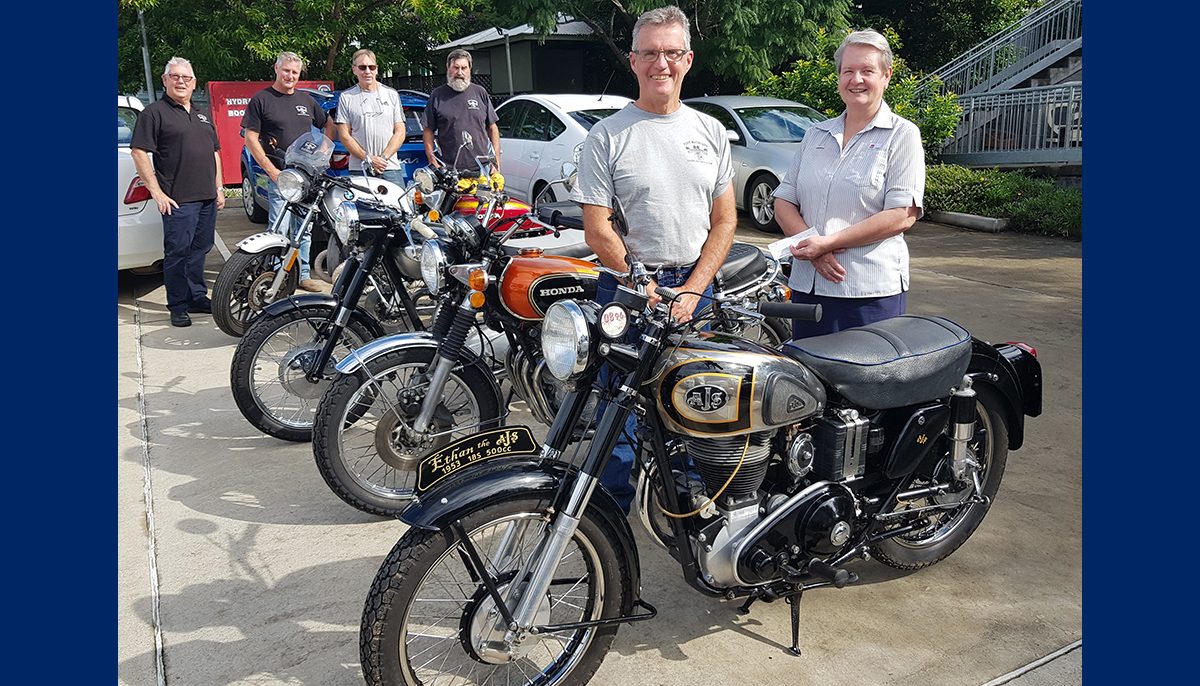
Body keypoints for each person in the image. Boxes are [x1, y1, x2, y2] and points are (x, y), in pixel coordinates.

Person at [570, 4, 735, 513]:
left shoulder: (710, 132)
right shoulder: (607, 136)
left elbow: (726, 222)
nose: (660, 64)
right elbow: (597, 229)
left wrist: (693, 288)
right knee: (617, 403)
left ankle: (684, 496)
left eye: (670, 53)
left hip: (693, 287)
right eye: (649, 54)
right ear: (633, 61)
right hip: (626, 289)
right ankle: (612, 512)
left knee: (693, 397)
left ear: (687, 59)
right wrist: (641, 285)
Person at [772, 29, 926, 338]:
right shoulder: (815, 135)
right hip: (808, 288)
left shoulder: (902, 135)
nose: (856, 79)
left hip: (867, 293)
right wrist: (812, 247)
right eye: (848, 71)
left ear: (886, 75)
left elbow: (901, 215)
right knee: (809, 381)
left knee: (868, 381)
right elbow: (784, 201)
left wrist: (826, 244)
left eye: (867, 70)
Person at [130, 57, 224, 328]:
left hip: (206, 197)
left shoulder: (202, 113)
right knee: (178, 253)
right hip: (178, 200)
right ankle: (178, 305)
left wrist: (218, 188)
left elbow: (214, 153)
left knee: (200, 251)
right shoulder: (154, 113)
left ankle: (196, 297)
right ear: (165, 80)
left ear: (194, 83)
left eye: (186, 77)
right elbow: (139, 152)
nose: (181, 81)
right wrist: (157, 193)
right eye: (175, 76)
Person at [242, 51, 334, 292]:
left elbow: (329, 125)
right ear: (276, 69)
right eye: (286, 71)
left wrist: (323, 151)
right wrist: (272, 171)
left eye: (294, 72)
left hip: (306, 178)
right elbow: (250, 138)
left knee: (303, 229)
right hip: (281, 178)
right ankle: (275, 276)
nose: (290, 76)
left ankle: (303, 274)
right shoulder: (261, 100)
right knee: (278, 229)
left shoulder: (306, 100)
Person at [335, 49, 408, 185]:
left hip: (389, 167)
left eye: (371, 67)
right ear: (354, 70)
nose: (367, 71)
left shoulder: (391, 94)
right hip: (360, 168)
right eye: (362, 67)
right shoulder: (346, 97)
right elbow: (344, 135)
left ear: (377, 69)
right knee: (362, 207)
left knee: (397, 205)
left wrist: (383, 158)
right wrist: (368, 158)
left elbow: (400, 131)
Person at [422, 49, 501, 172]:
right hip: (449, 170)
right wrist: (432, 161)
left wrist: (495, 160)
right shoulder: (437, 95)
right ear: (448, 67)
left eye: (464, 68)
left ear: (470, 69)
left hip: (482, 168)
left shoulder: (480, 92)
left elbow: (492, 128)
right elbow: (428, 131)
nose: (460, 72)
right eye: (456, 67)